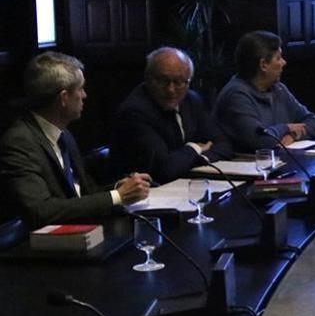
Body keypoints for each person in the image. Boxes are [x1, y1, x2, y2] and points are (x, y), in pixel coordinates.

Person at [0, 52, 150, 226]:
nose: (84, 95)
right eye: (80, 88)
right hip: (44, 247)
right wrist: (117, 196)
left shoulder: (64, 135)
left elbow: (84, 194)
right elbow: (40, 210)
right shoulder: (19, 142)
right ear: (64, 98)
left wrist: (119, 189)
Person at [112, 47, 234, 183]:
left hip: (186, 185)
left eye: (179, 82)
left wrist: (199, 159)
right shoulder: (134, 112)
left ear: (189, 82)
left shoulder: (192, 100)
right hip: (147, 194)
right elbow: (165, 168)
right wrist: (195, 148)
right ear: (148, 78)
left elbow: (224, 144)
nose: (171, 89)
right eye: (163, 81)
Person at [213, 31, 315, 152]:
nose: (284, 63)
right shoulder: (236, 95)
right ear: (263, 65)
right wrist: (287, 127)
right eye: (278, 58)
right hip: (248, 167)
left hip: (280, 163)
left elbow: (314, 124)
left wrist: (293, 135)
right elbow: (260, 141)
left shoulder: (279, 89)